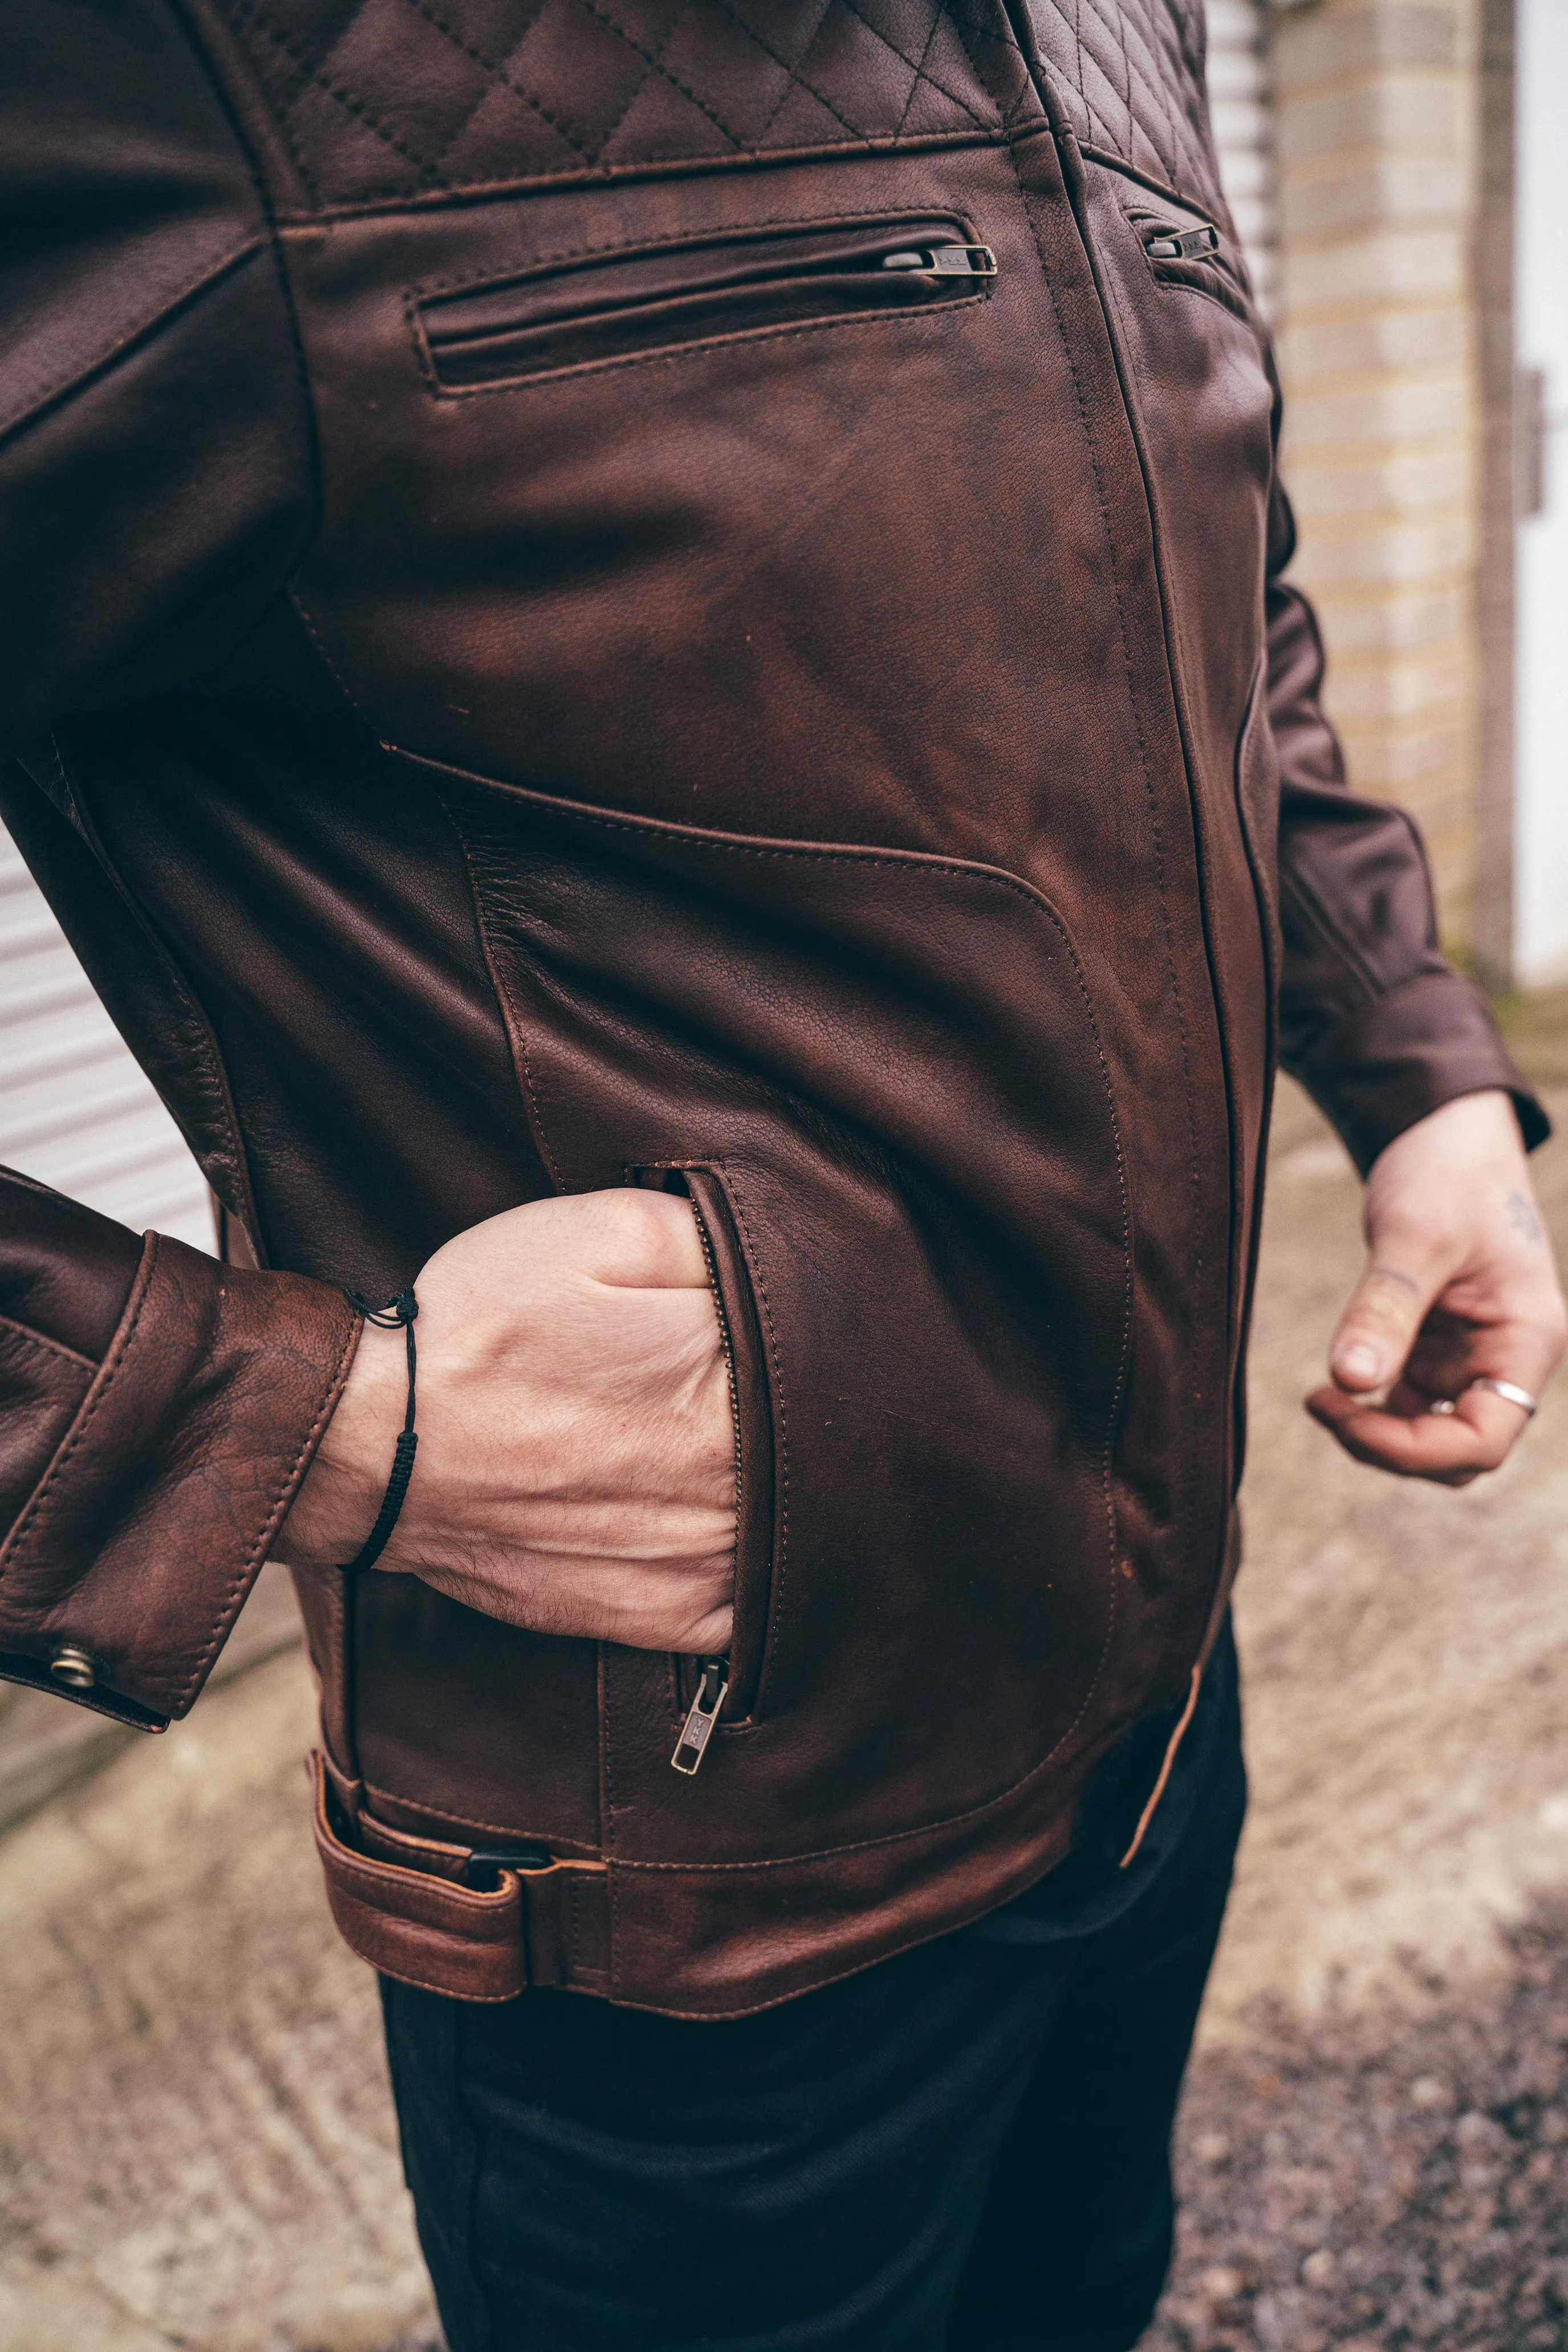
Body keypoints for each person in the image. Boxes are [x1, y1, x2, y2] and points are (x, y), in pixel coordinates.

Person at [2, 3, 1562, 2345]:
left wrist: (1417, 1061)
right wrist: (286, 1421)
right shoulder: (177, 67)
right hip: (700, 1902)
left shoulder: (1118, 24)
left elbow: (1226, 627)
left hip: (1153, 1697)